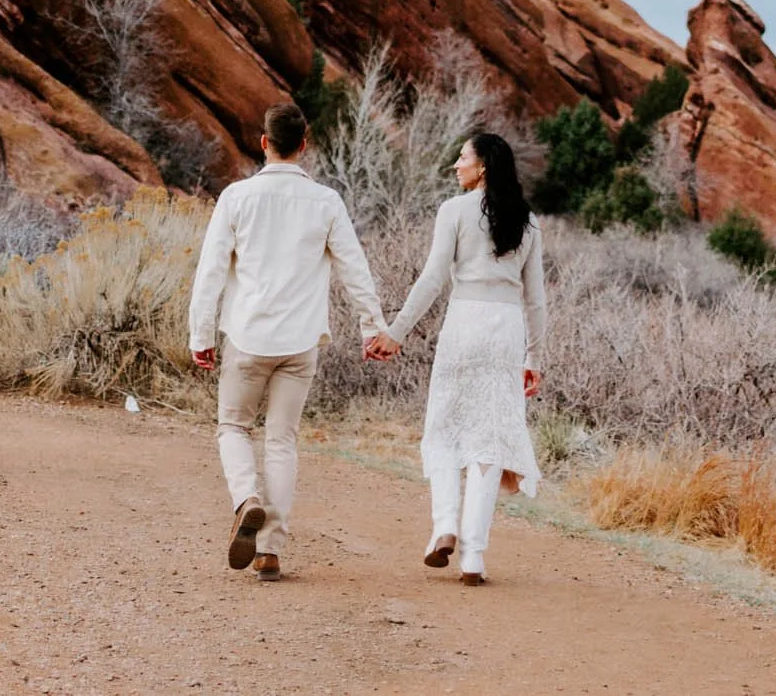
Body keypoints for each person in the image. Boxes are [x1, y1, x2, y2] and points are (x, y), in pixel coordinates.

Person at [189, 101, 388, 582]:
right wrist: (372, 326)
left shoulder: (236, 198)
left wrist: (201, 332)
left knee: (233, 426)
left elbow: (211, 271)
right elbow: (353, 269)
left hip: (248, 335)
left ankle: (246, 500)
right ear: (304, 144)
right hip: (300, 343)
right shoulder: (325, 202)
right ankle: (270, 549)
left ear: (264, 143)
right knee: (282, 441)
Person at [366, 132, 546, 585]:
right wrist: (534, 356)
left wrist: (396, 331)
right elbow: (537, 300)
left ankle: (444, 525)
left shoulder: (454, 211)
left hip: (465, 321)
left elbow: (432, 280)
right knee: (489, 441)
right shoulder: (527, 220)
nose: (455, 164)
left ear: (482, 165)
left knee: (445, 428)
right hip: (506, 330)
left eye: (462, 157)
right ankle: (474, 557)